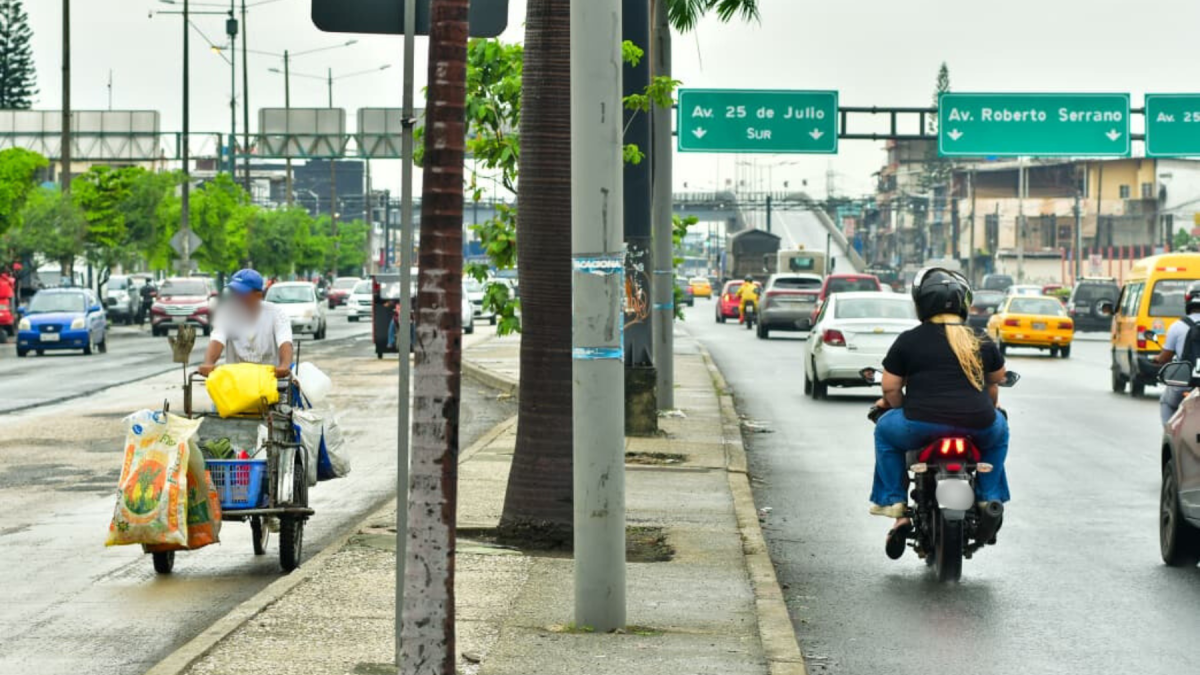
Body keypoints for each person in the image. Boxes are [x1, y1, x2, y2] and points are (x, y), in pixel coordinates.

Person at [870, 268, 1011, 558]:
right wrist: (990, 407)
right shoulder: (980, 339)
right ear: (964, 302)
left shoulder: (909, 340)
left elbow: (890, 388)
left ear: (921, 303)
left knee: (884, 432)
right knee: (999, 434)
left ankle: (896, 507)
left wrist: (898, 410)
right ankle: (989, 499)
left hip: (920, 424)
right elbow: (996, 380)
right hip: (978, 424)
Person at [198, 269, 294, 378]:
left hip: (270, 380)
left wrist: (284, 366)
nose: (237, 297)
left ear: (258, 295)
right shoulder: (227, 312)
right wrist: (208, 363)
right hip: (237, 382)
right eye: (234, 292)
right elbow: (217, 339)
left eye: (242, 293)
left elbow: (285, 343)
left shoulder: (276, 313)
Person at [1154, 282, 1200, 424]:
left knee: (1166, 403)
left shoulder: (1177, 326)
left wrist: (1157, 359)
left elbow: (1165, 357)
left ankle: (1170, 438)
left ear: (1187, 300)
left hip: (1185, 383)